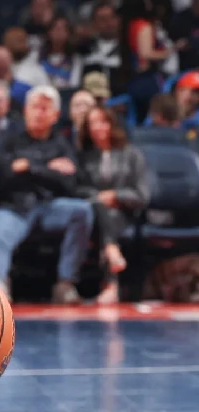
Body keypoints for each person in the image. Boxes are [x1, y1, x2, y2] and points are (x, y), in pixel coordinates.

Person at [0, 85, 93, 303]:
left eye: (45, 108)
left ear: (55, 115)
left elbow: (71, 183)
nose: (39, 113)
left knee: (82, 211)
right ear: (26, 110)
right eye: (35, 107)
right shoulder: (10, 138)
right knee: (0, 227)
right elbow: (1, 177)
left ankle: (65, 283)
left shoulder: (61, 143)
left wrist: (30, 167)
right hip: (15, 207)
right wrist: (49, 169)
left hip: (49, 206)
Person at [77, 106, 149, 304]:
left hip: (126, 212)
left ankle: (111, 280)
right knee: (102, 211)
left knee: (108, 215)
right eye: (92, 123)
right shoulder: (83, 157)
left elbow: (142, 195)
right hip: (94, 212)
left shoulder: (131, 154)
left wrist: (115, 196)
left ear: (112, 124)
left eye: (102, 121)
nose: (97, 127)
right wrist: (100, 197)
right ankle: (111, 259)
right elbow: (77, 189)